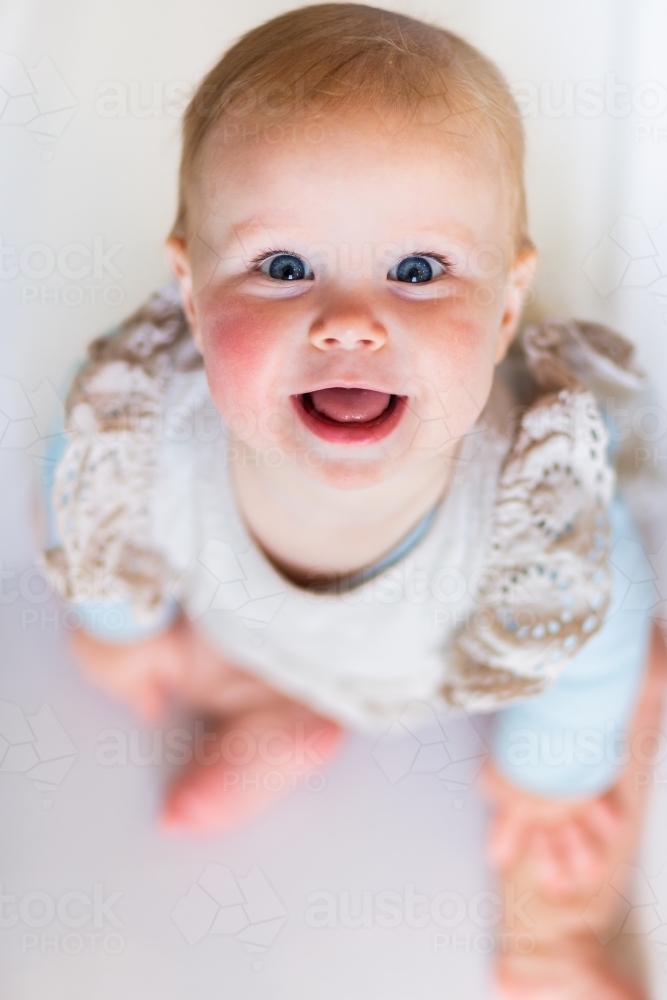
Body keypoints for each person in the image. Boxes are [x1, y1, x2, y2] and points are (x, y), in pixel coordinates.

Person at [44, 5, 667, 995]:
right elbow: (85, 486)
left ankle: (551, 935)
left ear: (504, 309)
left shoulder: (534, 509)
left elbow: (603, 620)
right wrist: (114, 618)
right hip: (272, 637)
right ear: (192, 292)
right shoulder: (144, 419)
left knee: (613, 709)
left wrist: (550, 765)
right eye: (283, 267)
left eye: (418, 271)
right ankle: (277, 710)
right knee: (168, 651)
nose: (349, 321)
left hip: (471, 662)